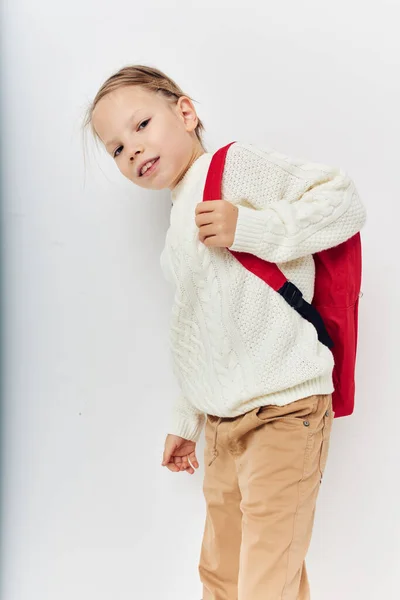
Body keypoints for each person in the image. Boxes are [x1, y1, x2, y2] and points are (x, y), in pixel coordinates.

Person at [83, 64, 367, 600]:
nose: (133, 149)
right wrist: (186, 418)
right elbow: (201, 327)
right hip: (222, 422)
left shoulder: (232, 166)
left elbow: (343, 200)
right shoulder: (175, 224)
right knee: (225, 576)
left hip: (285, 410)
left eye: (141, 124)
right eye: (116, 149)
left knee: (264, 581)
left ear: (185, 113)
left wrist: (254, 228)